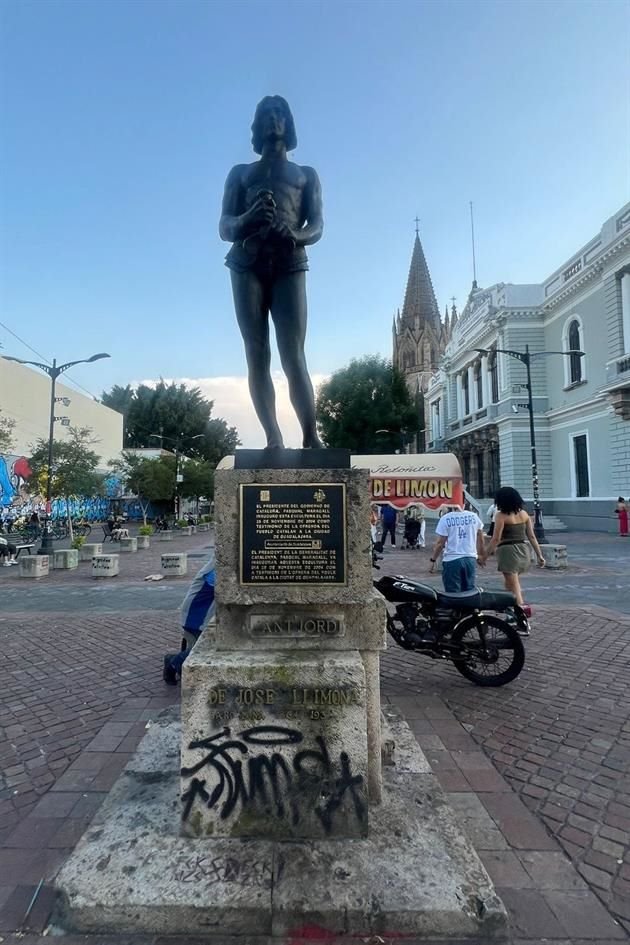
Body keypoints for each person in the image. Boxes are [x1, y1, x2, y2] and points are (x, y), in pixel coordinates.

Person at [219, 96, 324, 449]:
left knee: (293, 353)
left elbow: (318, 224)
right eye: (265, 114)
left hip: (289, 262)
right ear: (256, 125)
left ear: (289, 123)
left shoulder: (305, 175)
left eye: (279, 114)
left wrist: (295, 234)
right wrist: (248, 218)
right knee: (256, 351)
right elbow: (224, 226)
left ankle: (311, 435)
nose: (273, 120)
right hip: (246, 262)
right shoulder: (241, 173)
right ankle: (273, 437)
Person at [485, 486, 545, 610]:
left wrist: (484, 556)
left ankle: (520, 609)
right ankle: (510, 608)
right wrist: (539, 555)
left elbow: (496, 538)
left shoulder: (500, 516)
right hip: (523, 549)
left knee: (514, 584)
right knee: (509, 582)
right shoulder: (524, 514)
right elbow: (532, 537)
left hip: (508, 552)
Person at [163, 551, 216, 684]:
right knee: (204, 650)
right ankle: (173, 663)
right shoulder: (214, 572)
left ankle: (179, 660)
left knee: (206, 649)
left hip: (205, 618)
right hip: (197, 616)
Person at [429, 503, 486, 592]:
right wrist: (481, 555)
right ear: (464, 502)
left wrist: (433, 559)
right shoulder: (474, 517)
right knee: (469, 591)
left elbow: (440, 544)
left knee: (453, 592)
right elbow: (481, 538)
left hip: (452, 559)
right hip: (470, 558)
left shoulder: (446, 518)